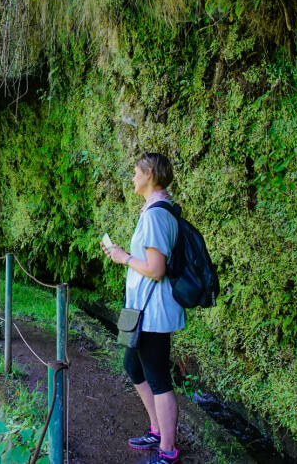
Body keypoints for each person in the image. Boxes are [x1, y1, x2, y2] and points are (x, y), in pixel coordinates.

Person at [101, 152, 184, 464]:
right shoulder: (154, 210)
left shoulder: (156, 215)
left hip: (152, 313)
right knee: (133, 367)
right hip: (139, 310)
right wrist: (122, 254)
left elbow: (156, 268)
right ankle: (157, 430)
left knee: (159, 379)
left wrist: (123, 257)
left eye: (136, 172)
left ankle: (168, 451)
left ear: (150, 173)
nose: (133, 178)